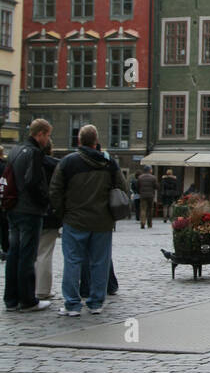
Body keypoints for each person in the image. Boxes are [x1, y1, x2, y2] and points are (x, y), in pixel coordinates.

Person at [49, 124, 126, 315]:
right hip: (102, 221)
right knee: (100, 262)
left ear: (79, 140)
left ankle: (72, 304)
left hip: (75, 220)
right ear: (96, 141)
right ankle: (96, 303)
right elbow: (122, 188)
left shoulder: (68, 162)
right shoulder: (109, 162)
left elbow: (55, 191)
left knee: (73, 261)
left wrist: (62, 213)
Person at [4, 118, 53, 312]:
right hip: (29, 210)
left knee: (13, 254)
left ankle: (11, 299)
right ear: (40, 134)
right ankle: (27, 299)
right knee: (27, 255)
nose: (48, 139)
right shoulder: (33, 153)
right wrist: (44, 201)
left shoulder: (15, 150)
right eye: (47, 135)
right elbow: (33, 182)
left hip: (13, 208)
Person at [35, 141, 61, 300]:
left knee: (32, 252)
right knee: (45, 252)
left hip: (30, 212)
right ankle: (43, 289)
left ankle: (30, 286)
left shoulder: (29, 162)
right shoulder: (55, 165)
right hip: (50, 214)